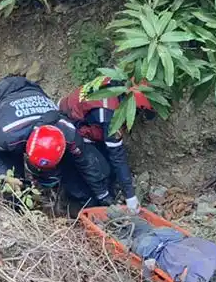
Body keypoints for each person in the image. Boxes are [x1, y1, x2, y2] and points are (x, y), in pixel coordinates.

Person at [0, 75, 113, 210]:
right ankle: (18, 208)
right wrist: (6, 177)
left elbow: (86, 163)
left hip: (34, 90)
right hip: (0, 96)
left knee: (74, 165)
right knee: (13, 177)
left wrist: (103, 195)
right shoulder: (5, 135)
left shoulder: (68, 133)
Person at [59, 77, 156, 212]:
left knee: (109, 169)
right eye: (138, 112)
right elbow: (117, 156)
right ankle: (84, 203)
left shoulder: (118, 82)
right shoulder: (108, 115)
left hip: (80, 114)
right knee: (100, 171)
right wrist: (130, 196)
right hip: (72, 125)